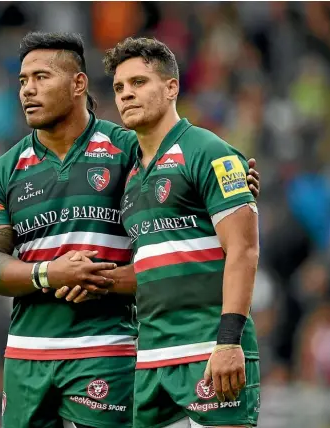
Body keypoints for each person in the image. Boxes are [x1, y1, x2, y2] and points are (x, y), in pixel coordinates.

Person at [0, 31, 261, 428]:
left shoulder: (129, 147)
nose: (28, 90)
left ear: (78, 84)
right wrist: (50, 273)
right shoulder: (2, 171)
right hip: (30, 352)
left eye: (41, 77)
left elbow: (201, 166)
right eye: (23, 81)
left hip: (112, 348)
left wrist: (236, 176)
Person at [100, 37, 261, 428]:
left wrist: (228, 342)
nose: (126, 95)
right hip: (152, 359)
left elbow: (244, 250)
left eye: (139, 83)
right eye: (120, 87)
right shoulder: (131, 176)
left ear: (171, 87)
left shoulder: (209, 151)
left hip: (209, 352)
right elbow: (154, 268)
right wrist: (89, 279)